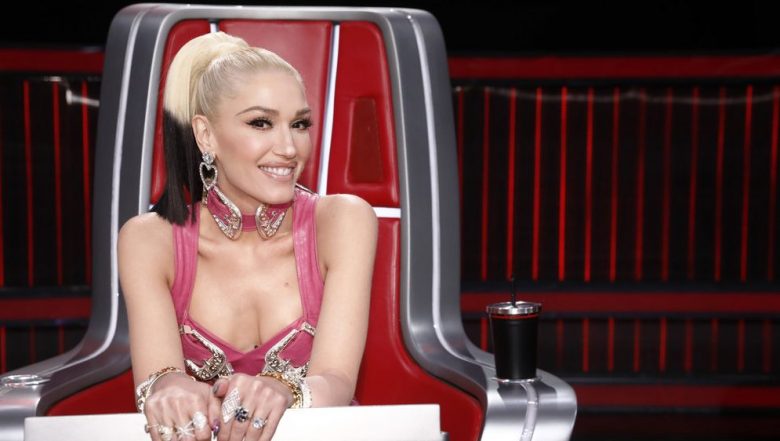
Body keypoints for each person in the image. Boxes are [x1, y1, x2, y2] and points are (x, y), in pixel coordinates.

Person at [118, 31, 377, 441]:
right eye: (261, 123)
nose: (289, 147)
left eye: (299, 124)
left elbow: (338, 381)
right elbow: (155, 378)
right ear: (205, 135)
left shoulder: (344, 221)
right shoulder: (149, 241)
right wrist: (168, 386)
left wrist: (286, 391)